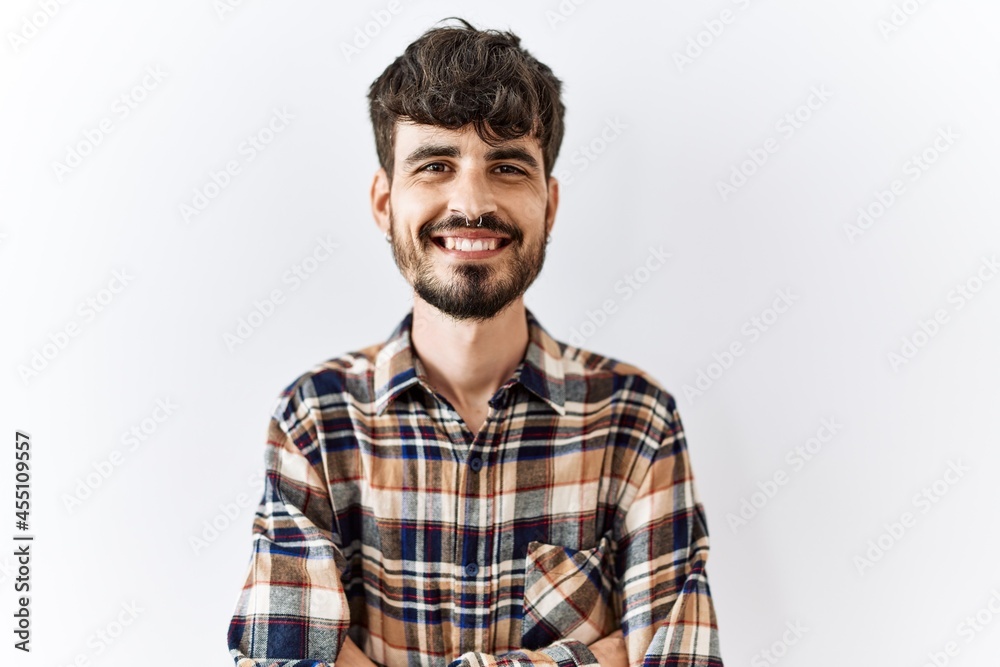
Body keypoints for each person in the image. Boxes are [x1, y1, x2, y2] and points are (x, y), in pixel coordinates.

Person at [227, 17, 723, 667]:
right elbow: (276, 659)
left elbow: (680, 659)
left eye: (508, 166)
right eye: (435, 164)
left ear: (549, 202)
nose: (472, 200)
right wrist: (597, 656)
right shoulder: (316, 419)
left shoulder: (636, 423)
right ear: (384, 201)